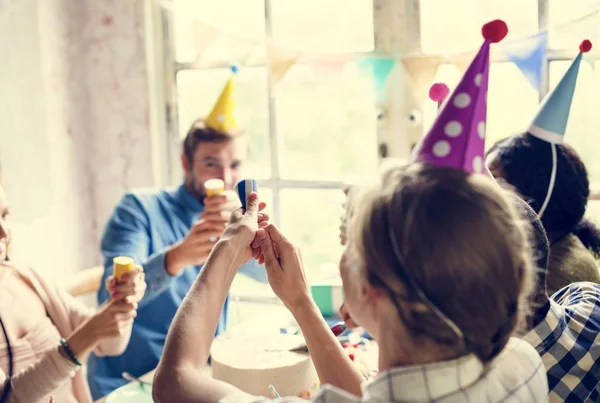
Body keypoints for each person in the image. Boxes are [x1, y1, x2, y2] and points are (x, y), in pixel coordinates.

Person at [153, 20, 549, 402]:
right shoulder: (522, 365)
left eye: (353, 243)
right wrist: (301, 303)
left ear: (369, 290)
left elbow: (175, 381)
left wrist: (225, 248)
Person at [87, 67, 266, 398]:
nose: (226, 177)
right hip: (131, 380)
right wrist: (178, 257)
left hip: (200, 374)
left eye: (235, 165)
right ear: (186, 162)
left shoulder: (235, 215)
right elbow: (109, 300)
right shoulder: (138, 208)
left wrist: (249, 236)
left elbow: (270, 277)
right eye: (211, 163)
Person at [0, 172, 146, 403]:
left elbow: (109, 345)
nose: (4, 232)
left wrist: (121, 306)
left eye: (4, 215)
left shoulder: (25, 275)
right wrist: (87, 336)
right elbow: (9, 397)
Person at [486, 40, 600, 295]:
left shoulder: (561, 275)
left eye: (496, 183)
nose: (485, 190)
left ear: (538, 201)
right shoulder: (539, 252)